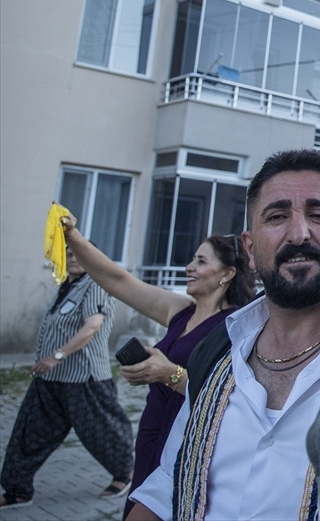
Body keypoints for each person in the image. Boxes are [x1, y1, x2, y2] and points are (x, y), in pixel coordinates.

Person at [127, 149, 320, 520]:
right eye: (276, 217)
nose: (299, 233)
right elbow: (168, 484)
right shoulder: (215, 352)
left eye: (319, 215)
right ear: (250, 248)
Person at [59, 214, 254, 514]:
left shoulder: (236, 326)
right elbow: (117, 280)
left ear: (226, 274)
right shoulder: (180, 310)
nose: (190, 267)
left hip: (189, 439)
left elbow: (231, 395)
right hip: (151, 430)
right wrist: (73, 236)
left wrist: (171, 374)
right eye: (192, 259)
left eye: (201, 262)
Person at [0, 248, 134, 509]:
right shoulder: (66, 286)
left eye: (79, 254)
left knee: (102, 433)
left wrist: (55, 356)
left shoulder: (94, 283)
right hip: (51, 379)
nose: (73, 258)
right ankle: (18, 489)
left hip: (84, 378)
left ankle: (125, 474)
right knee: (29, 432)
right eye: (69, 254)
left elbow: (92, 325)